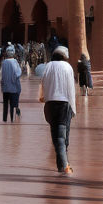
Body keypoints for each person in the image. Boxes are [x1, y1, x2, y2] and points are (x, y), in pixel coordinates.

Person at [40, 46, 76, 175]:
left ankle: (61, 164)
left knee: (56, 135)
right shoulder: (67, 67)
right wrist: (73, 107)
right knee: (62, 136)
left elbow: (43, 83)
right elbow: (71, 88)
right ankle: (65, 165)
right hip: (64, 103)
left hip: (50, 103)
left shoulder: (48, 66)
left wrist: (45, 98)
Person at [0, 45, 22, 122]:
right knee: (12, 105)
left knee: (5, 104)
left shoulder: (4, 62)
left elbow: (2, 75)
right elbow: (18, 73)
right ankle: (12, 119)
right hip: (13, 88)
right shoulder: (15, 62)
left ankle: (4, 119)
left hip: (5, 87)